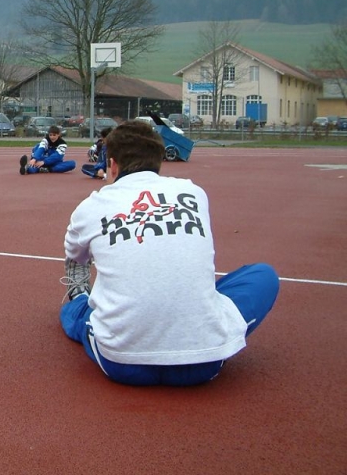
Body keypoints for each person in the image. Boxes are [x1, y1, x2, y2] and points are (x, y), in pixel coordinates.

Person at [60, 120, 279, 386]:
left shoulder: (91, 206)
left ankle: (79, 300)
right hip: (202, 364)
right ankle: (198, 315)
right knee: (264, 275)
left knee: (80, 312)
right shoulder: (194, 193)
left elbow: (76, 256)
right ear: (159, 161)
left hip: (122, 363)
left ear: (113, 165)